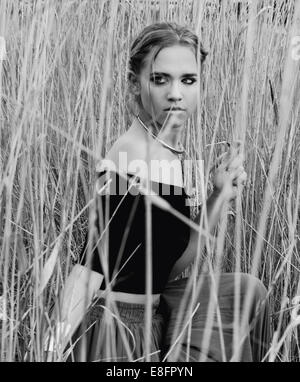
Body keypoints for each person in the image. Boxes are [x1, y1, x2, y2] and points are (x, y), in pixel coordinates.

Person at [45, 22, 270, 362]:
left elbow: (169, 263)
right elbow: (89, 267)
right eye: (160, 79)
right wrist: (49, 349)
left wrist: (217, 197)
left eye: (188, 80)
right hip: (116, 334)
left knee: (246, 292)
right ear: (135, 85)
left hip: (150, 322)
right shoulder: (129, 156)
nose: (176, 93)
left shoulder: (166, 153)